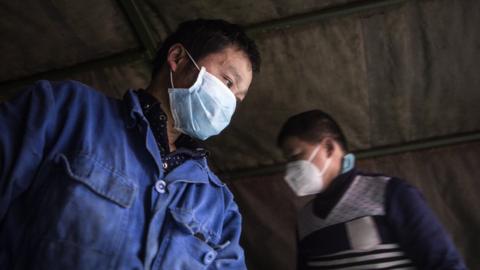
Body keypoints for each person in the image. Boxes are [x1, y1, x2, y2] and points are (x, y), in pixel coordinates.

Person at [0, 19, 260, 270]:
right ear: (178, 58)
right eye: (227, 82)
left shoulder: (219, 205)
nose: (229, 102)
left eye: (237, 98)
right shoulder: (63, 109)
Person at [276, 110, 467, 270]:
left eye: (295, 156)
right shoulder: (305, 220)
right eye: (287, 161)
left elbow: (444, 263)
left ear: (328, 148)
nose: (289, 171)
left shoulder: (390, 194)